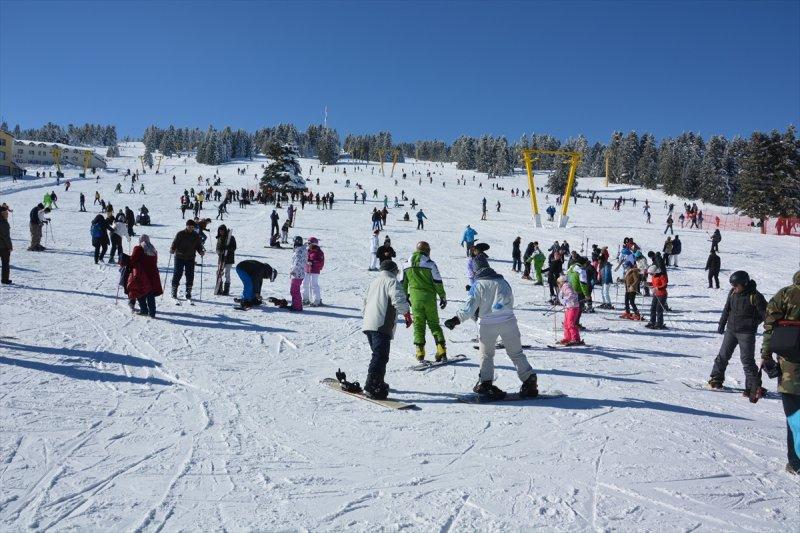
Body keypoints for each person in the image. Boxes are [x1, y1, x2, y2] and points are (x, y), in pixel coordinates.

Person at [443, 254, 538, 400]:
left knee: (486, 355)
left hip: (488, 325)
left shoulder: (478, 285)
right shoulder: (503, 282)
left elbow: (469, 307)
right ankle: (529, 380)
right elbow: (508, 300)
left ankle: (486, 383)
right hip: (509, 322)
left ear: (476, 270)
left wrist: (456, 319)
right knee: (516, 353)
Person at [760, 270, 800, 474]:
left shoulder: (785, 294)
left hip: (790, 369)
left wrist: (766, 355)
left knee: (795, 415)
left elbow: (770, 327)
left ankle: (796, 463)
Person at [708, 271, 767, 395]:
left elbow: (766, 315)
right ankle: (716, 379)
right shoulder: (732, 293)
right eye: (732, 285)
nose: (733, 287)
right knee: (722, 356)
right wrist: (722, 323)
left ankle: (753, 387)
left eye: (736, 285)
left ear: (744, 283)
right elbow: (727, 309)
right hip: (731, 330)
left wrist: (753, 323)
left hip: (746, 333)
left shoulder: (755, 296)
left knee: (747, 360)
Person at [360, 260, 412, 399]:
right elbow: (398, 299)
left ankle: (379, 381)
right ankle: (372, 385)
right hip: (381, 324)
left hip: (369, 324)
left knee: (378, 354)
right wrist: (406, 314)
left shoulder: (374, 282)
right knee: (380, 355)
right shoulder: (392, 281)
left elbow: (364, 303)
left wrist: (367, 319)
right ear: (393, 270)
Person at [402, 241, 447, 362]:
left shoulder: (406, 264)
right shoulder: (430, 264)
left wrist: (405, 297)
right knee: (434, 324)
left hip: (415, 299)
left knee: (419, 324)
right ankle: (441, 350)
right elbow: (437, 281)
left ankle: (420, 352)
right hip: (429, 298)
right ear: (427, 251)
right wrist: (442, 296)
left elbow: (403, 284)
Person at [127, 235, 163, 317]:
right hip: (153, 274)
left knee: (140, 291)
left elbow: (132, 260)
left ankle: (144, 310)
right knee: (150, 293)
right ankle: (152, 312)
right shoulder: (153, 249)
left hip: (142, 274)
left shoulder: (138, 248)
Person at [169, 219, 205, 300]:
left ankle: (188, 291)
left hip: (190, 258)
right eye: (189, 227)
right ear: (186, 226)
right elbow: (175, 243)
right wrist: (172, 249)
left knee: (190, 275)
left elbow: (198, 245)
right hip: (179, 257)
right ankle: (174, 290)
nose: (190, 228)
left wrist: (201, 251)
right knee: (178, 273)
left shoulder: (195, 235)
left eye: (192, 227)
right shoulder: (180, 234)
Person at [556, 275, 582, 345]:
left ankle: (575, 339)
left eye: (558, 283)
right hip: (569, 307)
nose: (558, 284)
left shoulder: (566, 286)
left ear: (561, 282)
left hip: (573, 307)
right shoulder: (565, 286)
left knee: (570, 323)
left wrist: (565, 300)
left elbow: (571, 294)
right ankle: (568, 338)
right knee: (566, 323)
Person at [302, 237, 325, 306]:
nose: (308, 245)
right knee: (304, 284)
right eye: (308, 243)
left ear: (314, 244)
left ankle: (317, 300)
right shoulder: (308, 251)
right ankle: (305, 299)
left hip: (314, 271)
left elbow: (321, 262)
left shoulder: (319, 252)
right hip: (307, 270)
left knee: (314, 285)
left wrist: (313, 262)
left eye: (310, 243)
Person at [215, 225, 236, 295]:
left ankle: (226, 289)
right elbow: (217, 248)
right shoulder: (219, 238)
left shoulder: (231, 238)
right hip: (221, 258)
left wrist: (227, 248)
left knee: (227, 273)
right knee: (219, 272)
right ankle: (219, 287)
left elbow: (234, 247)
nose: (221, 232)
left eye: (222, 231)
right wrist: (220, 251)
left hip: (229, 258)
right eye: (220, 231)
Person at [289, 236, 307, 311]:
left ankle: (297, 306)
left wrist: (292, 271)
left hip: (297, 274)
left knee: (294, 290)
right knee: (295, 290)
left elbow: (297, 263)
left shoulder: (298, 252)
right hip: (300, 273)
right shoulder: (301, 250)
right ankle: (296, 305)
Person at [0, 205, 11, 284]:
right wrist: (9, 246)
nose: (7, 214)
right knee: (5, 264)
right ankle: (5, 279)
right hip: (3, 247)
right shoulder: (3, 223)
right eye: (5, 213)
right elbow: (6, 236)